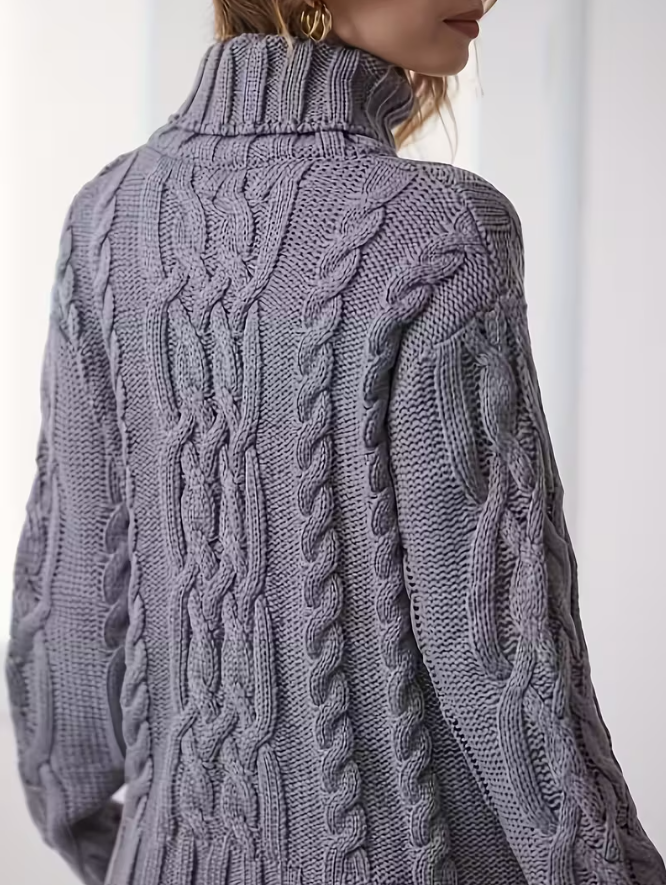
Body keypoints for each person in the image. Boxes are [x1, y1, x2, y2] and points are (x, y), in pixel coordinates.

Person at [5, 1, 665, 884]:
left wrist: (135, 853)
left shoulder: (105, 216)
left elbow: (69, 624)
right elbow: (501, 651)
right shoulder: (440, 230)